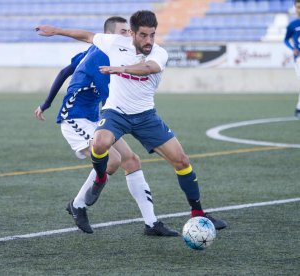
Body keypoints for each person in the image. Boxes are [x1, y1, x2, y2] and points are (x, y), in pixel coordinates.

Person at [36, 10, 227, 231]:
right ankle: (99, 178)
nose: (149, 41)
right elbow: (87, 35)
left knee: (181, 161)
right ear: (132, 34)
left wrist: (121, 69)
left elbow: (150, 68)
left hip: (146, 116)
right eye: (143, 35)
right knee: (101, 145)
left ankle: (196, 213)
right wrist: (56, 30)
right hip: (114, 114)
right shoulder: (115, 44)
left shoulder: (158, 53)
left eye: (152, 35)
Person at [284, 0, 300, 118]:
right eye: (298, 7)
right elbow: (285, 40)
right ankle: (298, 109)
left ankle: (298, 109)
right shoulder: (292, 25)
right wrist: (292, 48)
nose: (299, 10)